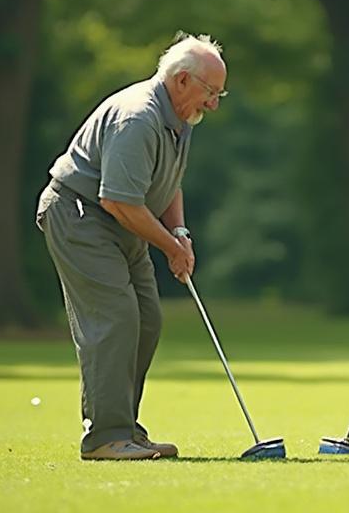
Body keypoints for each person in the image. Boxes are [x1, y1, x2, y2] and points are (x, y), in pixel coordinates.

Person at [35, 33, 227, 460]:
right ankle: (106, 437)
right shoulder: (137, 118)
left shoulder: (181, 117)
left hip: (124, 223)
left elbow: (169, 183)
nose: (213, 103)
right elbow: (117, 199)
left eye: (219, 93)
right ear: (181, 80)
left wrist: (179, 236)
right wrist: (169, 249)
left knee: (147, 318)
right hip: (81, 217)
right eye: (210, 92)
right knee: (115, 317)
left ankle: (125, 428)